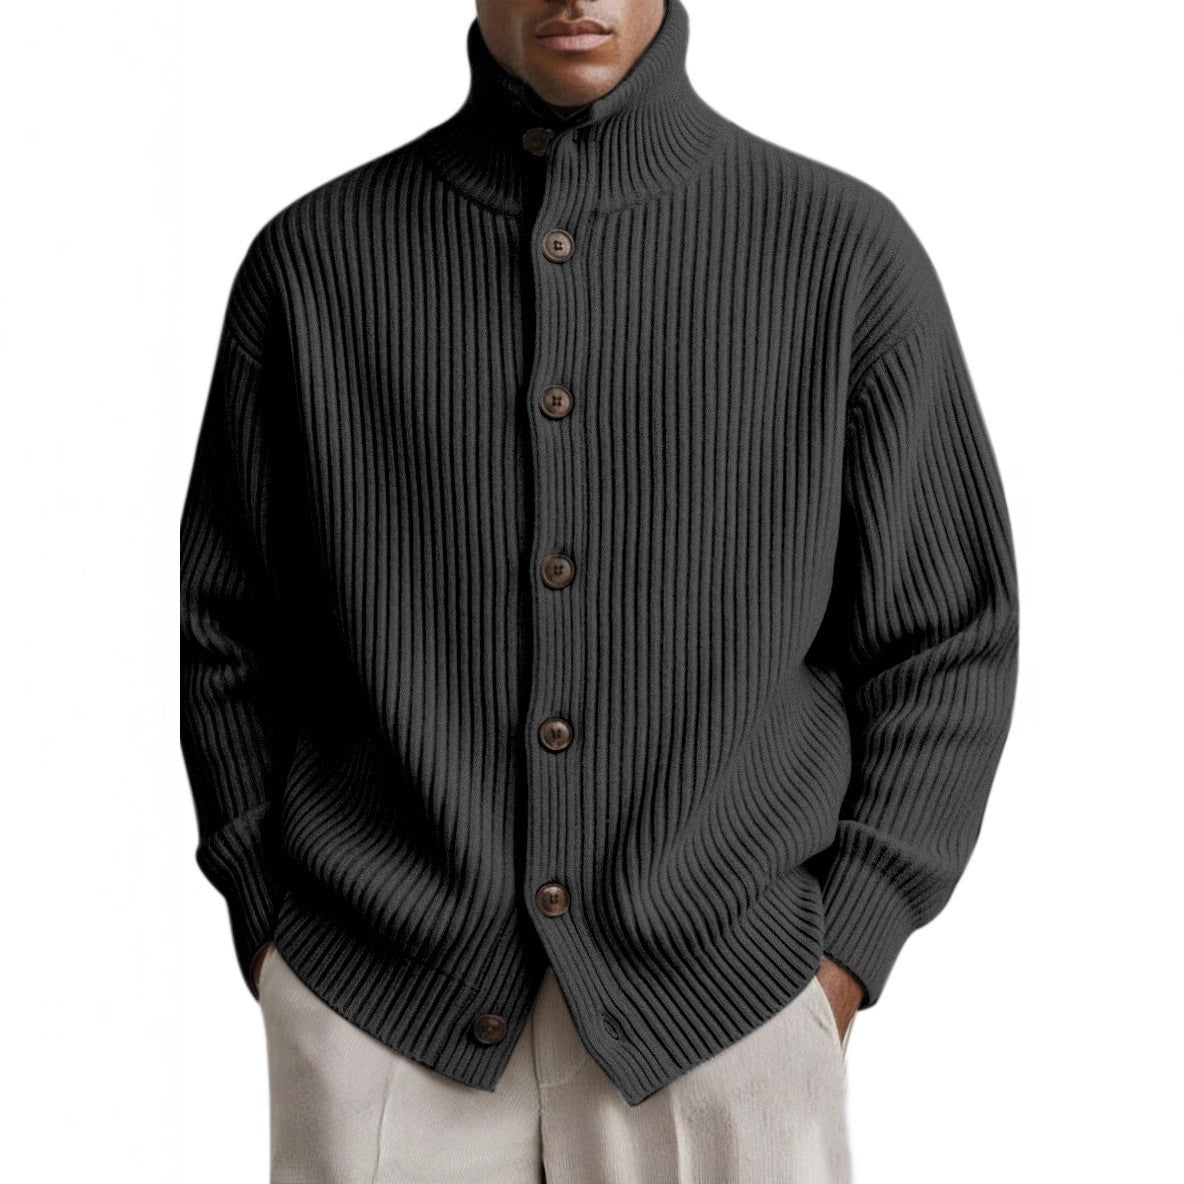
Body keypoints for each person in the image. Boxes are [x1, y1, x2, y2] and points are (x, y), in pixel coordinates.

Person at [179, 1, 1019, 1180]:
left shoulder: (838, 252)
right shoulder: (315, 261)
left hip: (728, 1003)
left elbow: (945, 635)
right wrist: (269, 924)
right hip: (375, 1000)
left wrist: (846, 948)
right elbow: (231, 630)